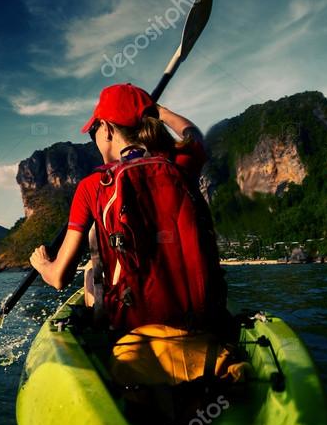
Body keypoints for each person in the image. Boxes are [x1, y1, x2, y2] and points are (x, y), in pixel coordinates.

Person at [29, 82, 228, 336]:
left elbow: (58, 278)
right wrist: (161, 111)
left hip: (132, 331)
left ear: (108, 129)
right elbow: (193, 135)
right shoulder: (181, 164)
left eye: (94, 131)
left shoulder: (92, 186)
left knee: (91, 270)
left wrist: (43, 264)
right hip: (202, 323)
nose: (94, 139)